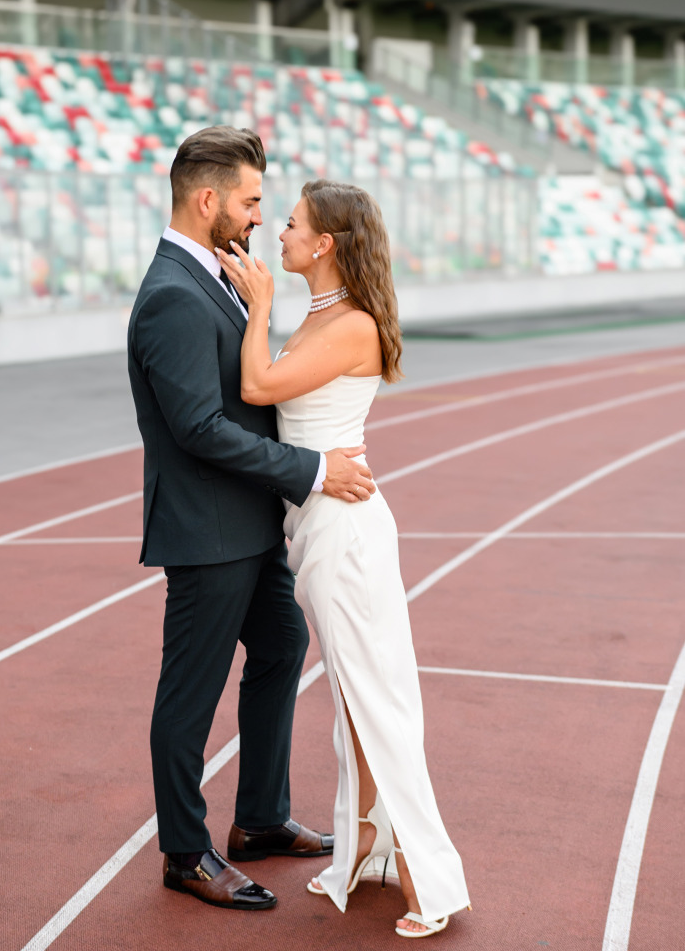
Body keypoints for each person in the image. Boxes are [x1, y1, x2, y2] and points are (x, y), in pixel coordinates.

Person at [127, 128, 377, 912]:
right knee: (189, 695)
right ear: (208, 200)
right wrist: (313, 469)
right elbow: (201, 428)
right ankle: (185, 853)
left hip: (249, 520)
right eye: (251, 200)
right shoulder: (173, 294)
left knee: (281, 645)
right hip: (208, 531)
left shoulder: (217, 273)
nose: (260, 216)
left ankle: (261, 819)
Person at [218, 179, 471, 938]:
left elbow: (257, 384)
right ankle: (363, 839)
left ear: (324, 244)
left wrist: (258, 307)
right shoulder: (323, 314)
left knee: (375, 699)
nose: (279, 233)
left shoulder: (352, 323)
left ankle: (429, 876)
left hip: (346, 532)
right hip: (320, 522)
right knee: (354, 698)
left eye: (293, 224)